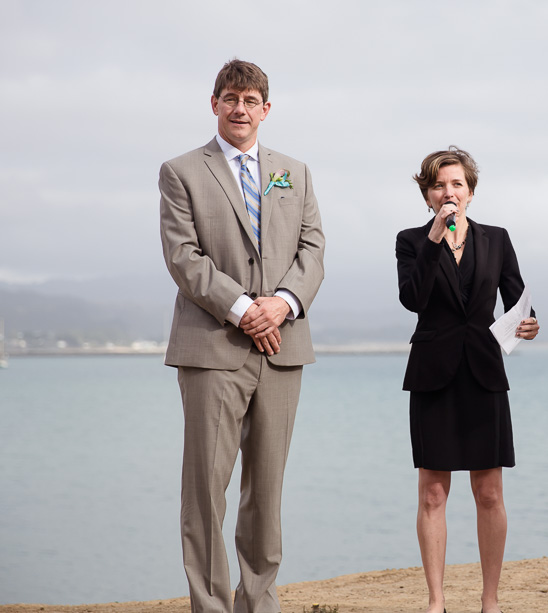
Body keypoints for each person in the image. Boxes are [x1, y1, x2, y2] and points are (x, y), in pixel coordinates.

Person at [159, 59, 324, 613]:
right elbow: (183, 257)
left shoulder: (295, 172)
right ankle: (210, 606)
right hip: (212, 348)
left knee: (266, 491)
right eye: (231, 98)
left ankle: (258, 602)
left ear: (266, 109)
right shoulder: (181, 171)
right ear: (215, 104)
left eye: (251, 100)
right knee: (206, 491)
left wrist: (283, 303)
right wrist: (243, 309)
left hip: (283, 349)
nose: (240, 109)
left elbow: (313, 249)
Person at [396, 147, 539, 613]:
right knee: (432, 493)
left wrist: (529, 323)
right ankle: (436, 602)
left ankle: (490, 600)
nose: (448, 192)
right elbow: (413, 299)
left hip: (483, 372)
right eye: (439, 185)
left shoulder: (497, 239)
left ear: (471, 192)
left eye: (456, 184)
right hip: (432, 375)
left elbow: (518, 300)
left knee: (490, 492)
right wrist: (435, 237)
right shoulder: (411, 240)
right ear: (428, 195)